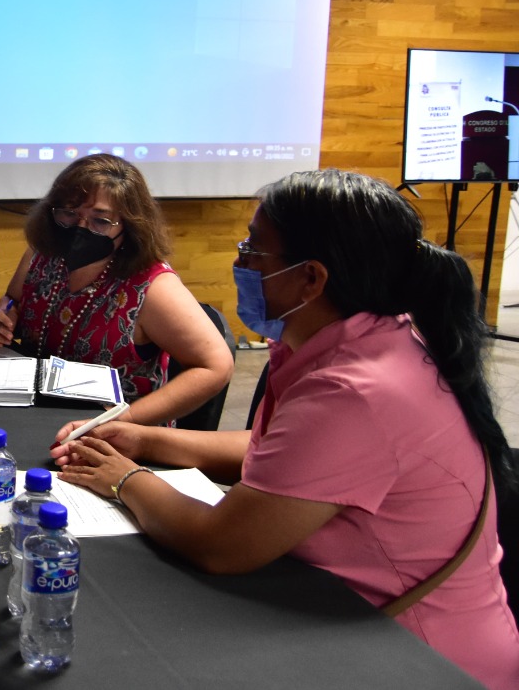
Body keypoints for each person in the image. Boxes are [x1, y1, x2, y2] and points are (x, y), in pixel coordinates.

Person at [54, 169, 519, 688]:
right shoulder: (363, 337)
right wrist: (146, 438)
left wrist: (124, 478)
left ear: (311, 278)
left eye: (253, 250)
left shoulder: (355, 390)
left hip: (417, 658)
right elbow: (281, 453)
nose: (240, 263)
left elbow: (221, 545)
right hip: (349, 620)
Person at [0, 154, 233, 425]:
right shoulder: (43, 253)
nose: (80, 228)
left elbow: (215, 366)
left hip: (115, 432)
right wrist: (3, 317)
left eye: (100, 221)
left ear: (130, 226)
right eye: (69, 213)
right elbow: (13, 300)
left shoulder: (152, 287)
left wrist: (125, 419)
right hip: (36, 414)